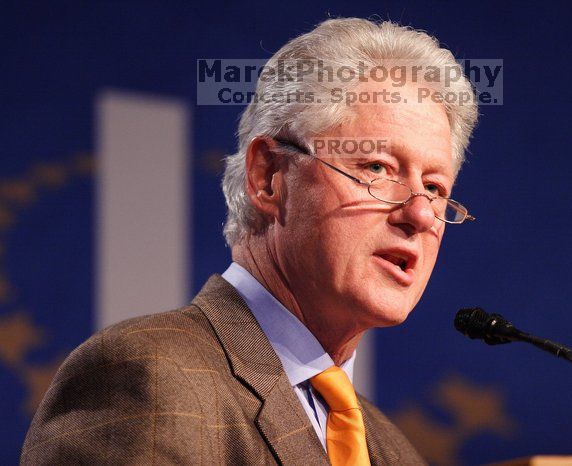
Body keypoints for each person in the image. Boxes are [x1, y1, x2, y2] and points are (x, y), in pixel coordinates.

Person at [22, 17, 478, 465]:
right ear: (269, 177)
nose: (420, 213)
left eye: (436, 188)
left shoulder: (394, 451)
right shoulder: (148, 378)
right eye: (377, 168)